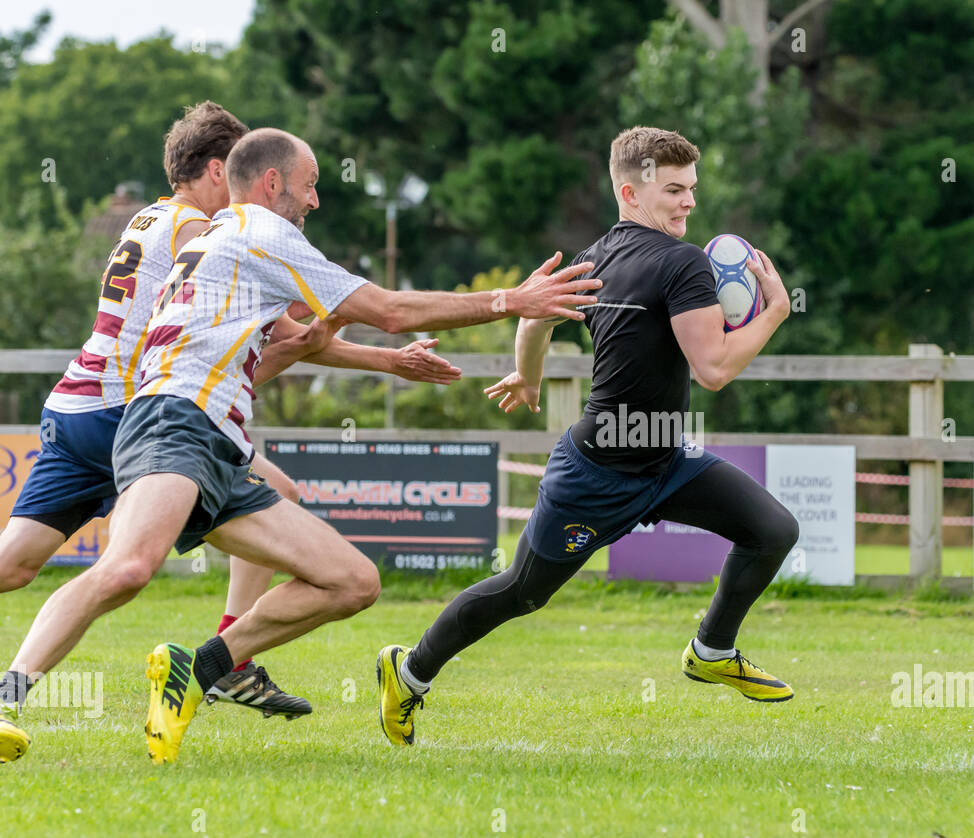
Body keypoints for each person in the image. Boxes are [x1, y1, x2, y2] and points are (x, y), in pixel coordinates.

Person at [4, 126, 600, 765]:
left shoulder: (215, 239)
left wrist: (363, 356)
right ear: (271, 183)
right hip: (172, 425)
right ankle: (8, 696)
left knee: (352, 581)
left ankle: (198, 669)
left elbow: (273, 354)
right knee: (126, 569)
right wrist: (510, 300)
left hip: (216, 441)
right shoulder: (263, 234)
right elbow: (390, 307)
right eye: (310, 185)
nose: (316, 200)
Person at [376, 126, 800, 747]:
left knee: (773, 530)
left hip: (665, 459)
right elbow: (714, 370)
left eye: (692, 190)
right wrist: (776, 313)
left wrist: (526, 371)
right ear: (630, 191)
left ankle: (711, 650)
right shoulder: (682, 263)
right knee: (520, 593)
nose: (689, 203)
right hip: (596, 474)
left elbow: (535, 317)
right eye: (675, 190)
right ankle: (408, 673)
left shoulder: (590, 259)